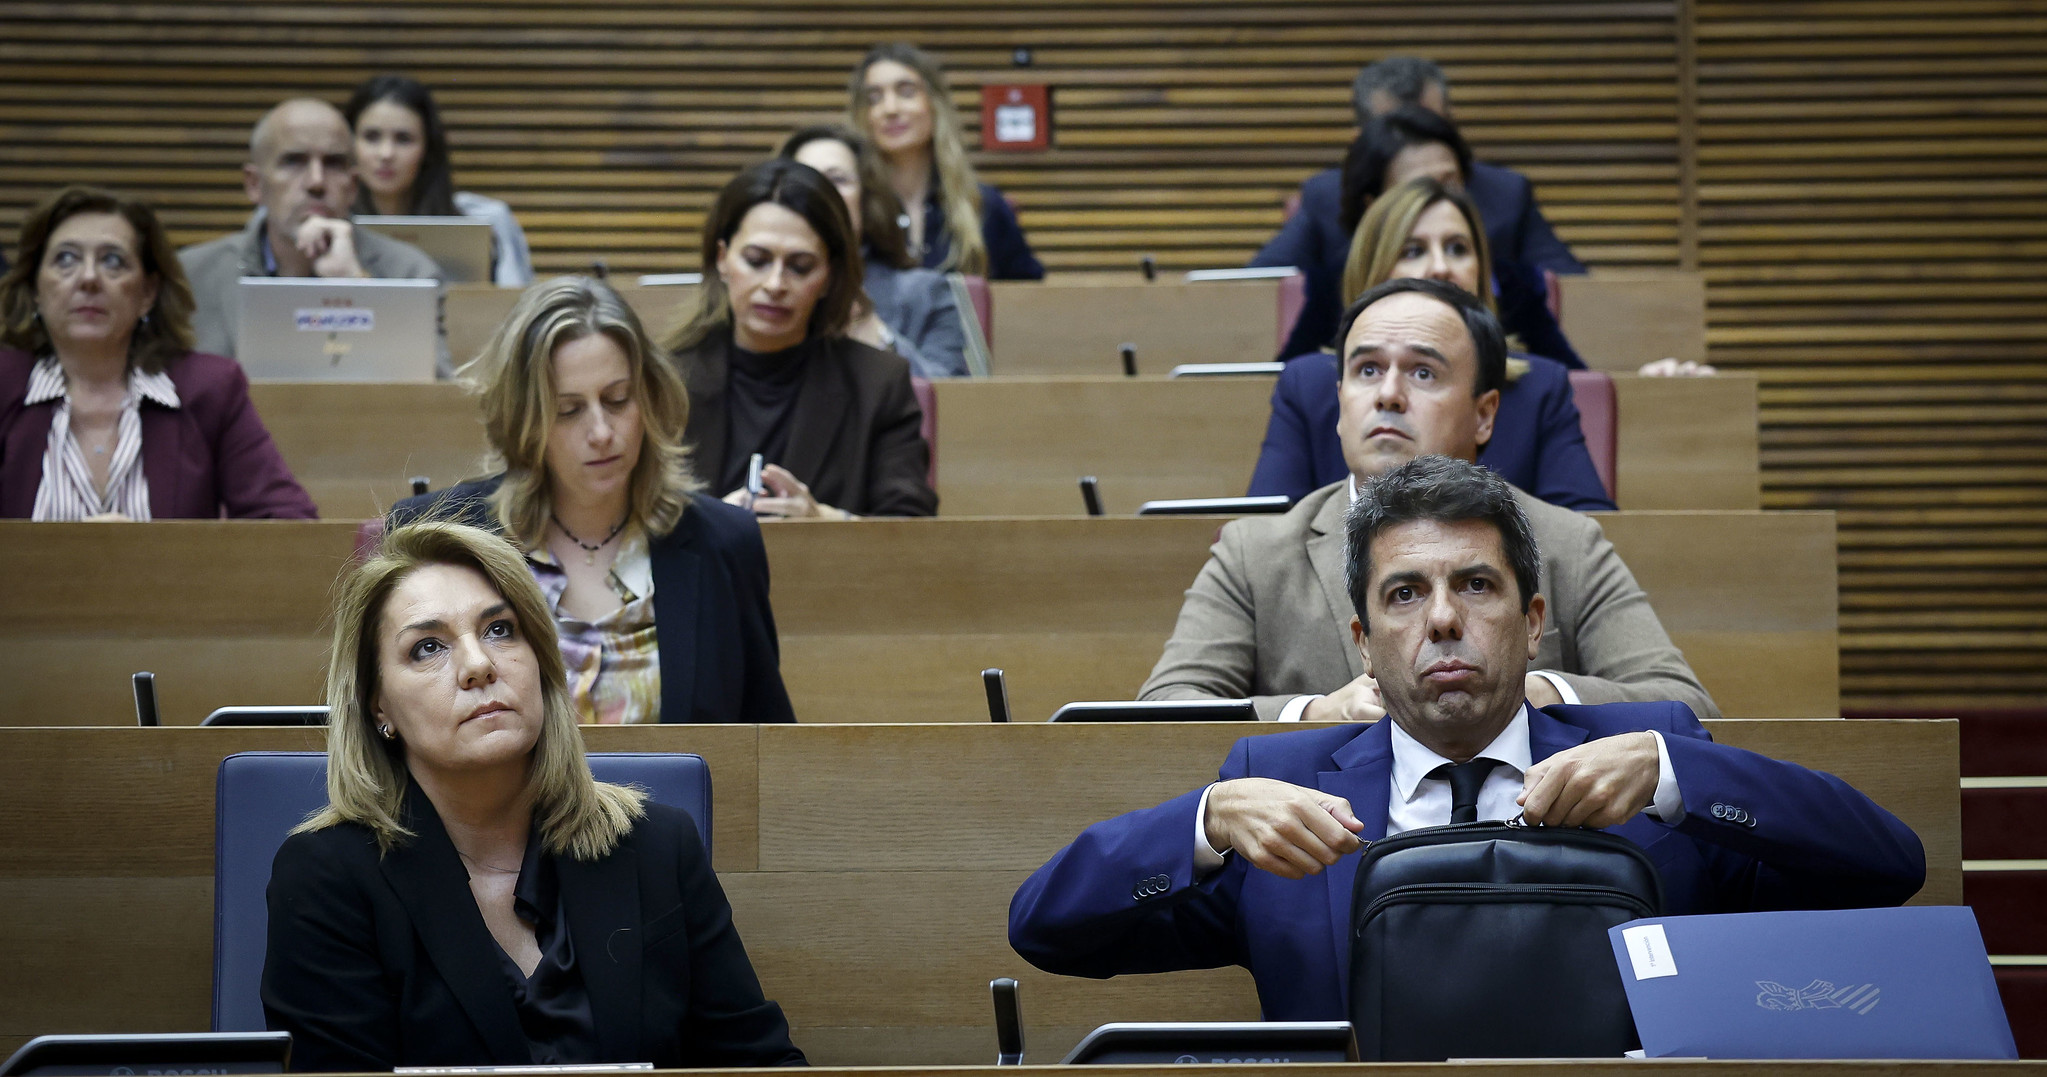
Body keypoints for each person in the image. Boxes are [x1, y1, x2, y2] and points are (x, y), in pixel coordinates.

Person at [1012, 454, 1927, 1022]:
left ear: (1534, 624)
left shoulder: (1648, 758)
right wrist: (1203, 821)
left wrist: (1674, 768)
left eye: (1476, 586)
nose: (1443, 620)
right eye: (1405, 593)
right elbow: (1047, 930)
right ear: (1364, 643)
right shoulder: (1277, 785)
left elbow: (1885, 864)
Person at [262, 520, 806, 1070]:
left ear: (541, 659)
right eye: (428, 647)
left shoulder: (657, 847)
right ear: (378, 704)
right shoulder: (325, 879)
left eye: (499, 630)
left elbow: (758, 1064)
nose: (478, 665)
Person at [1140, 278, 1713, 721]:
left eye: (1422, 372)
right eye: (1367, 370)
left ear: (1485, 413)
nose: (1388, 394)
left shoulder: (1566, 541)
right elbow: (1163, 712)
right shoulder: (1254, 553)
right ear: (1340, 401)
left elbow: (1686, 705)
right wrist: (1312, 713)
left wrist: (1535, 689)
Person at [390, 276, 794, 726]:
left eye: (618, 400)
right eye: (569, 410)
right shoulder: (440, 534)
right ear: (525, 419)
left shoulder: (725, 542)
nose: (602, 432)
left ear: (650, 398)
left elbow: (766, 734)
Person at [1248, 178, 1611, 511]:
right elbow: (1268, 530)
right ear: (1372, 271)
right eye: (1413, 250)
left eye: (1457, 249)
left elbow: (1585, 527)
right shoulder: (1308, 384)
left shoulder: (1541, 386)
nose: (1440, 267)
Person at [0, 185, 316, 520]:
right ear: (35, 287)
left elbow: (289, 523)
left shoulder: (209, 389)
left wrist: (156, 554)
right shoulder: (4, 385)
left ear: (148, 292)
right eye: (66, 259)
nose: (88, 278)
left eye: (112, 260)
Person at [662, 159, 936, 520]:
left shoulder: (878, 383)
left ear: (829, 275)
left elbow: (912, 532)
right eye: (757, 260)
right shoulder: (665, 378)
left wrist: (821, 521)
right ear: (723, 259)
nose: (775, 285)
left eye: (800, 266)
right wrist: (705, 527)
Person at [1271, 102, 1580, 364]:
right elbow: (1281, 388)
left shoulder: (1516, 285)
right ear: (1373, 205)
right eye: (1417, 187)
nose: (1438, 197)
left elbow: (1574, 386)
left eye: (1450, 183)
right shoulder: (1332, 288)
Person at [176, 98, 447, 370]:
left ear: (352, 187)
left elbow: (441, 395)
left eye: (333, 163)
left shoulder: (411, 275)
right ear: (255, 184)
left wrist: (357, 287)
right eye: (293, 161)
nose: (316, 181)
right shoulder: (191, 277)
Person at [779, 124, 970, 379]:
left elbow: (952, 404)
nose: (822, 193)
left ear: (866, 198)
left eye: (837, 179)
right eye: (807, 180)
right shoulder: (757, 290)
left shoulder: (926, 295)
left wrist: (872, 331)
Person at [849, 42, 1044, 280]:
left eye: (906, 92)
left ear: (934, 104)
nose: (890, 109)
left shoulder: (985, 206)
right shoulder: (851, 207)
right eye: (874, 98)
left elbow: (1028, 297)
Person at [346, 73, 536, 286]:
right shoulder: (333, 227)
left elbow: (520, 308)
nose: (386, 153)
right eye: (371, 137)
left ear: (427, 149)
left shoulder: (486, 220)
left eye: (403, 139)